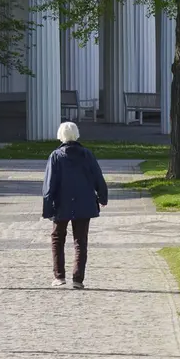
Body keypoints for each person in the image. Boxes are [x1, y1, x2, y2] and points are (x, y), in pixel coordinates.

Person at [42, 121, 108, 289]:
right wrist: (102, 196)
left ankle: (59, 276)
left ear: (60, 135)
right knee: (80, 241)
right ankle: (78, 279)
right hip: (84, 202)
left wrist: (47, 207)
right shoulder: (87, 154)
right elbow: (98, 177)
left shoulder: (56, 156)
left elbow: (49, 184)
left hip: (61, 203)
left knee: (57, 238)